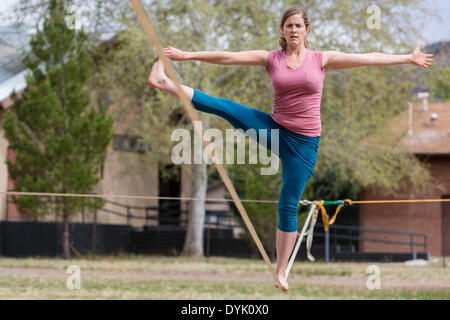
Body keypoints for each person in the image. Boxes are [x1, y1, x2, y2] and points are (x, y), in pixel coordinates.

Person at [147, 6, 433, 291]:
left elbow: (369, 58)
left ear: (307, 30)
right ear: (282, 31)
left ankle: (281, 271)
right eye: (289, 26)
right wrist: (187, 55)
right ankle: (163, 82)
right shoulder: (271, 59)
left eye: (298, 25)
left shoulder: (322, 60)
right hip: (274, 129)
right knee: (226, 107)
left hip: (304, 145)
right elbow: (228, 57)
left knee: (287, 204)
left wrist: (407, 57)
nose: (293, 30)